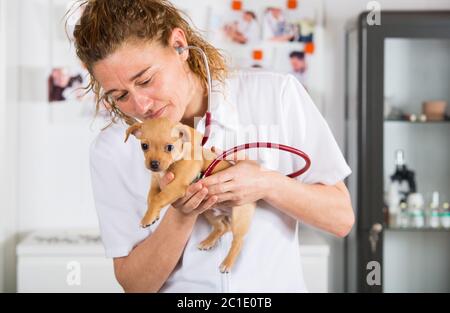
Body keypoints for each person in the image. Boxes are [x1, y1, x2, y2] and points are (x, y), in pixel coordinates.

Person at [72, 0, 354, 293]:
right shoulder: (112, 148)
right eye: (120, 96)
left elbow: (341, 219)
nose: (140, 105)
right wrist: (181, 212)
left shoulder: (275, 95)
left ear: (179, 45)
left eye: (146, 80)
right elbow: (135, 285)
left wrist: (267, 185)